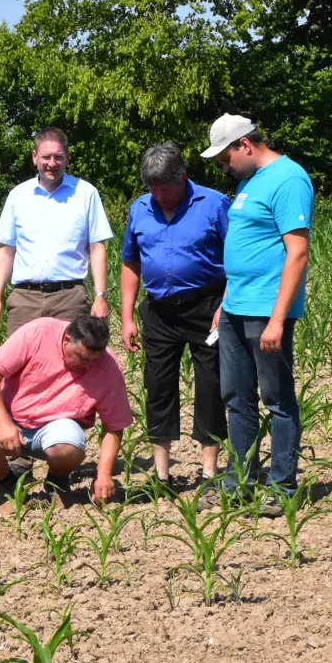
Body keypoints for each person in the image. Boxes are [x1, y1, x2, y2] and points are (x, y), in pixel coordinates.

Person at [200, 115, 313, 514]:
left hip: (267, 310)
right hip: (234, 308)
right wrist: (225, 302)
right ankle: (240, 482)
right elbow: (244, 247)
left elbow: (297, 252)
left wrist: (279, 319)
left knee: (277, 399)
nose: (223, 167)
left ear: (245, 145)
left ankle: (282, 486)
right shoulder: (250, 183)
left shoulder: (289, 179)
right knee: (236, 398)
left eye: (225, 159)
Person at [120, 143, 229, 485]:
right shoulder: (139, 209)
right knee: (158, 387)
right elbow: (130, 262)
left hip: (206, 306)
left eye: (164, 188)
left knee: (210, 386)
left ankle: (209, 472)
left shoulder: (213, 204)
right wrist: (126, 317)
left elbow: (236, 259)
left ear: (182, 178)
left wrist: (225, 306)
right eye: (151, 188)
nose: (158, 195)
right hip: (159, 311)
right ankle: (162, 475)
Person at [0, 316, 133, 506]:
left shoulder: (108, 368)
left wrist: (104, 474)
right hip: (9, 412)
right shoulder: (38, 332)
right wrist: (2, 423)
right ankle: (7, 484)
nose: (88, 366)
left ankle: (56, 483)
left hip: (53, 427)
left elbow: (114, 426)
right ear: (67, 339)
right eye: (82, 357)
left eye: (94, 360)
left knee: (70, 447)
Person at [0, 128, 113, 335]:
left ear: (68, 158)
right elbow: (6, 249)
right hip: (24, 300)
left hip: (70, 299)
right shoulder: (18, 196)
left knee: (71, 363)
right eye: (46, 157)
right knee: (21, 365)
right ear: (35, 157)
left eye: (58, 157)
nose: (52, 164)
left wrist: (100, 296)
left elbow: (97, 247)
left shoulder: (86, 193)